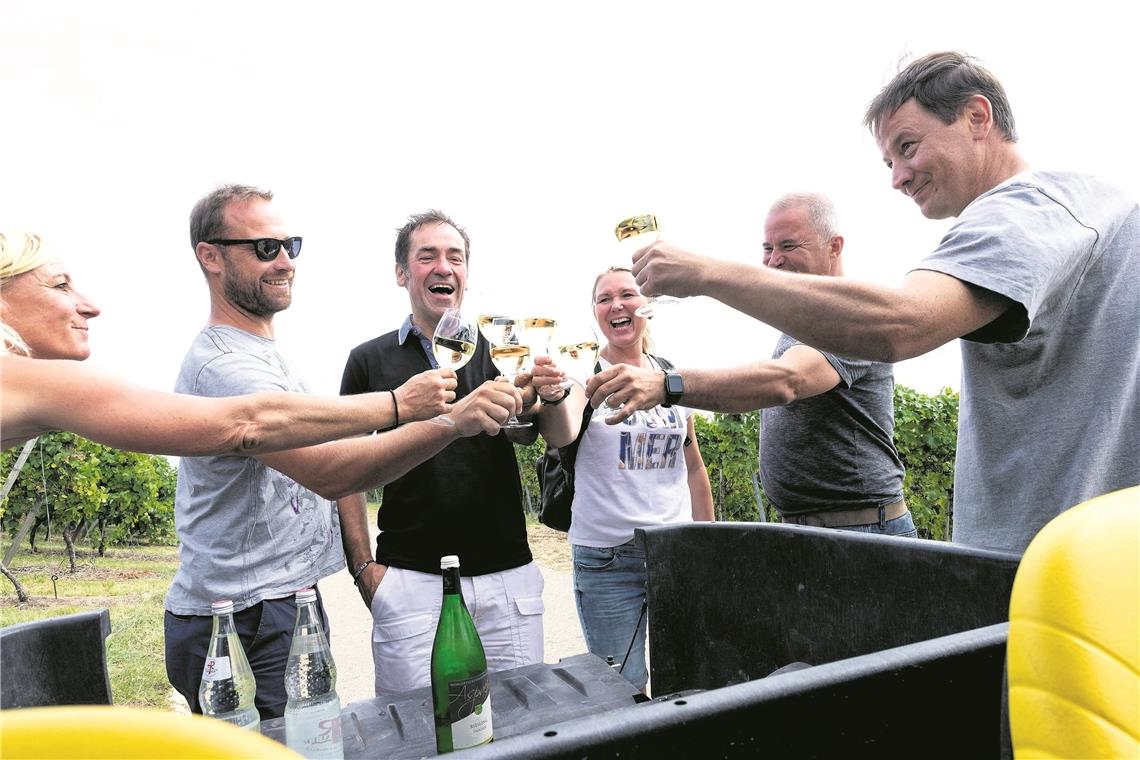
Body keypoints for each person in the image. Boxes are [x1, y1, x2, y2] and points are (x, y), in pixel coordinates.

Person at [620, 51, 1140, 555]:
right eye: (889, 161)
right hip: (1086, 555)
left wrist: (706, 277)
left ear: (976, 117)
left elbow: (899, 324)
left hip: (1049, 565)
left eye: (908, 147)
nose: (897, 178)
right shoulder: (1092, 208)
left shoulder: (1023, 209)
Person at [165, 188, 523, 720]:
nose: (286, 260)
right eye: (265, 247)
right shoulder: (226, 365)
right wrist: (431, 415)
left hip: (277, 603)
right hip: (242, 616)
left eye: (290, 245)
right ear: (210, 256)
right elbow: (333, 471)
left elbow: (354, 456)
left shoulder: (263, 357)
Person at [337, 209, 575, 694]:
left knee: (518, 728)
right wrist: (363, 569)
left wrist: (545, 395)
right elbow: (344, 471)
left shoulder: (501, 349)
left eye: (456, 258)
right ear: (403, 273)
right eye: (427, 257)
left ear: (466, 274)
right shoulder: (368, 360)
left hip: (507, 574)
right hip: (410, 579)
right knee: (416, 733)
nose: (444, 267)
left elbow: (529, 433)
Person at [588, 195, 912, 536]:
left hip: (860, 528)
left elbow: (786, 381)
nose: (773, 261)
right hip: (820, 528)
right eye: (766, 248)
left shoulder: (852, 313)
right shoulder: (805, 321)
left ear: (834, 247)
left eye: (788, 245)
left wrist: (666, 385)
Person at [0, 230, 453, 455]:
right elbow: (246, 422)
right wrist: (400, 404)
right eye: (59, 286)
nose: (89, 306)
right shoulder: (33, 382)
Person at [538, 266, 714, 691]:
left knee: (685, 682)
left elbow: (692, 466)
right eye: (604, 298)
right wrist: (553, 396)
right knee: (623, 690)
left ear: (646, 305)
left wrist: (708, 542)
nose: (617, 305)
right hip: (607, 560)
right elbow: (562, 433)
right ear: (595, 312)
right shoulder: (584, 374)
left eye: (627, 294)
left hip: (674, 552)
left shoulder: (670, 375)